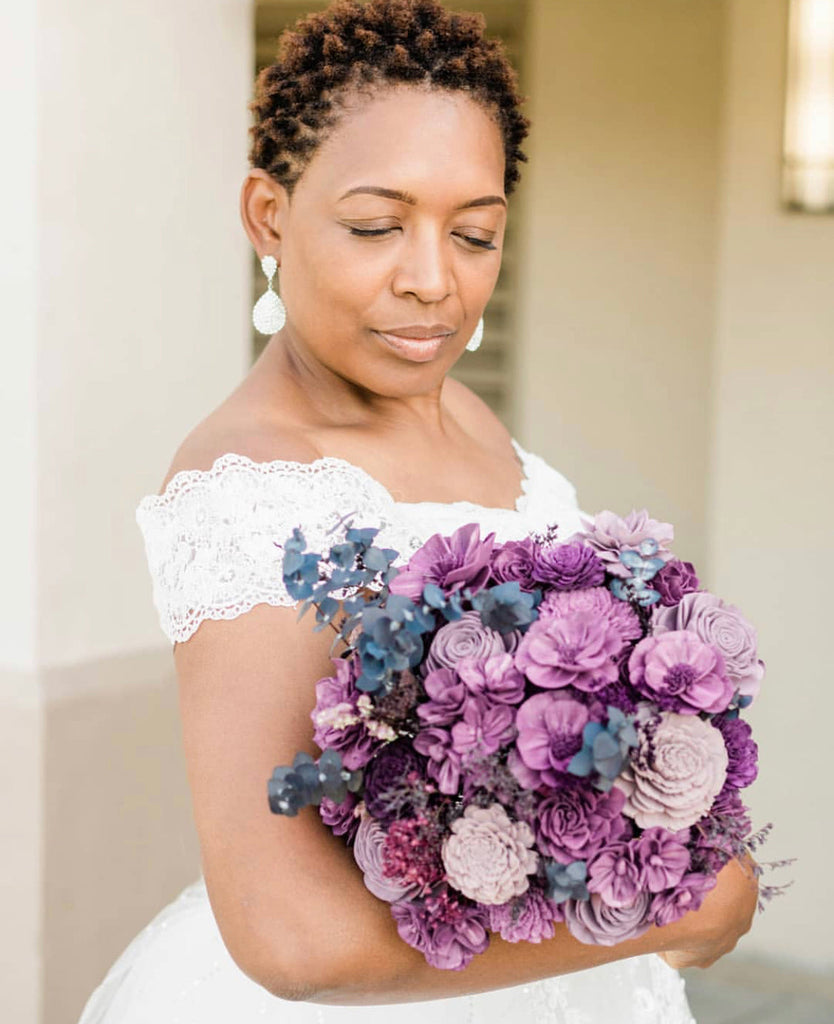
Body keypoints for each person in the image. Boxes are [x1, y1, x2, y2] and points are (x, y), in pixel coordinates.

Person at [77, 1, 758, 1020]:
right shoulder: (248, 487)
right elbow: (291, 935)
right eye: (374, 225)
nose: (435, 280)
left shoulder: (471, 421)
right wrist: (655, 911)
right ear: (269, 214)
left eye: (475, 232)